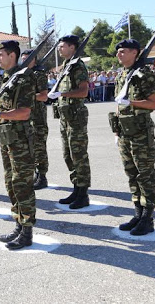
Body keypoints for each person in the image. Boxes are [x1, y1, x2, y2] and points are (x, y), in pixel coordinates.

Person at [0, 40, 36, 249]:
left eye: (2, 54)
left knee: (22, 185)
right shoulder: (8, 78)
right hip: (7, 139)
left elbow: (24, 112)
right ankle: (18, 224)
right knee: (11, 184)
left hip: (20, 140)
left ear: (13, 55)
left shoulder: (24, 79)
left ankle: (27, 231)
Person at [111, 39, 155, 236]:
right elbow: (118, 105)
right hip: (124, 132)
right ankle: (138, 214)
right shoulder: (123, 74)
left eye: (123, 51)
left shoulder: (144, 74)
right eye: (118, 52)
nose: (119, 55)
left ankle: (148, 218)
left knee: (145, 174)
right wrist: (116, 131)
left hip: (140, 133)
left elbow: (153, 104)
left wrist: (130, 102)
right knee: (131, 174)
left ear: (135, 53)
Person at [48, 35, 91, 209]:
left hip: (76, 117)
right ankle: (76, 188)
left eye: (62, 46)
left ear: (73, 47)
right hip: (65, 117)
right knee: (68, 155)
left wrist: (61, 95)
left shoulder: (78, 66)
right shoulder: (67, 65)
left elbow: (83, 92)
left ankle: (83, 193)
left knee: (79, 155)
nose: (60, 49)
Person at [20, 49, 50, 190]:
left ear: (34, 60)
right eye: (23, 58)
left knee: (39, 147)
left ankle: (42, 176)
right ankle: (34, 174)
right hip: (26, 117)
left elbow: (44, 96)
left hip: (37, 118)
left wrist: (28, 96)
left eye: (28, 58)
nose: (25, 61)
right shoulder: (22, 75)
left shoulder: (39, 74)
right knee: (29, 148)